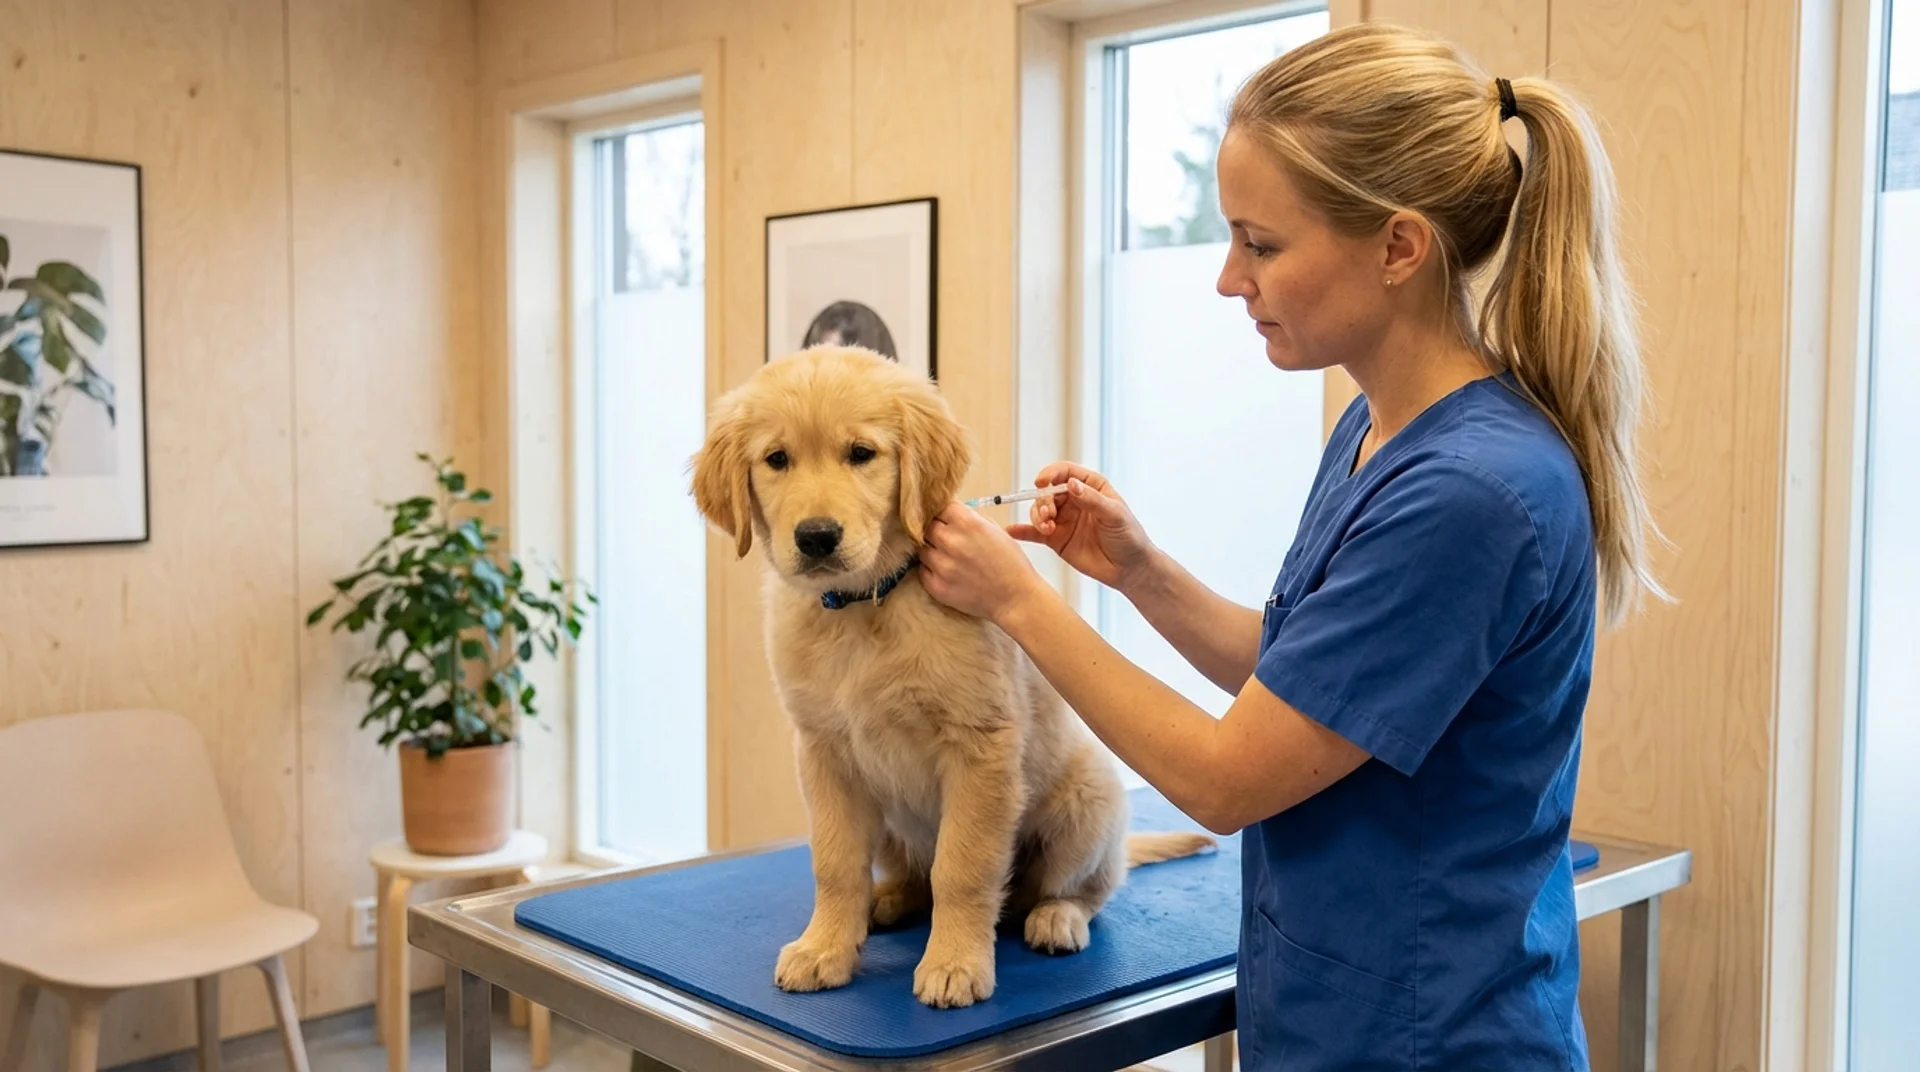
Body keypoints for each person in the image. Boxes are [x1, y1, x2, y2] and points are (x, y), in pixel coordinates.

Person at [918, 21, 1666, 1072]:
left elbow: (1227, 778)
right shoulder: (1374, 430)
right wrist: (1140, 571)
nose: (1231, 279)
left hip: (1430, 1038)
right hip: (1340, 1011)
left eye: (1260, 243)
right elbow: (1302, 670)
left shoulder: (1471, 492)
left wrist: (1020, 602)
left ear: (1399, 247)